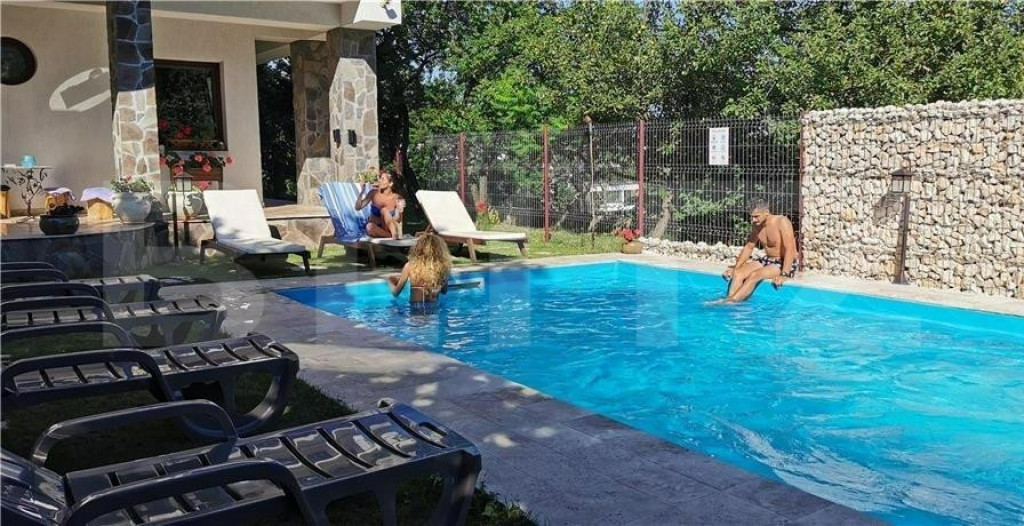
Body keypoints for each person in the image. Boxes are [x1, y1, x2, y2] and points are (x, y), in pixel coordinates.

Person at [719, 200, 798, 303]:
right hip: (767, 260)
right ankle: (730, 301)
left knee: (755, 275)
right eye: (751, 217)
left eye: (756, 216)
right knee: (738, 273)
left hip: (784, 263)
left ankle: (730, 302)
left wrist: (784, 274)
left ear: (766, 212)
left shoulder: (782, 221)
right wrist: (736, 268)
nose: (753, 220)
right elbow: (749, 246)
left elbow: (790, 248)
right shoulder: (757, 225)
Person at [387, 233, 452, 309]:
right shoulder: (442, 268)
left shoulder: (410, 266)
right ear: (440, 251)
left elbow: (396, 293)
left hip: (416, 308)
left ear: (417, 249)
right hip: (433, 308)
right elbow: (444, 291)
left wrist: (389, 280)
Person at [355, 170, 405, 239]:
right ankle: (391, 236)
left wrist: (398, 211)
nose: (380, 181)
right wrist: (362, 191)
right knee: (369, 227)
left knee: (384, 210)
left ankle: (394, 234)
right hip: (377, 229)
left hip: (390, 228)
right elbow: (357, 207)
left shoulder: (398, 198)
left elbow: (399, 219)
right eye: (380, 178)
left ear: (390, 183)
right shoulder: (373, 193)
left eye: (382, 179)